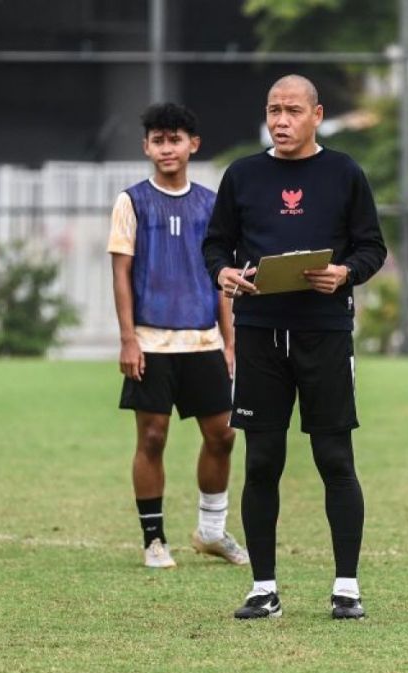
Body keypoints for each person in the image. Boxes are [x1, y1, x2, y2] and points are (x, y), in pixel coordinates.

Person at [203, 74, 387, 620]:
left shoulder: (345, 172)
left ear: (316, 115)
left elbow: (372, 247)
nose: (280, 121)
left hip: (324, 333)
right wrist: (225, 273)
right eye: (273, 110)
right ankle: (263, 587)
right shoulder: (243, 175)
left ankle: (347, 587)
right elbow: (215, 243)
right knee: (262, 461)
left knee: (335, 458)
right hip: (258, 334)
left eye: (291, 111)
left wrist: (345, 273)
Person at [109, 102, 248, 569]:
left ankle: (211, 531)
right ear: (146, 146)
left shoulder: (211, 205)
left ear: (193, 145)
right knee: (152, 437)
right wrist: (128, 338)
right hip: (150, 340)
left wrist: (230, 341)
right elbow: (121, 273)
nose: (167, 148)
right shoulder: (132, 202)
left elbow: (222, 279)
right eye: (158, 140)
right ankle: (154, 539)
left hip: (203, 340)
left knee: (224, 434)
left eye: (175, 139)